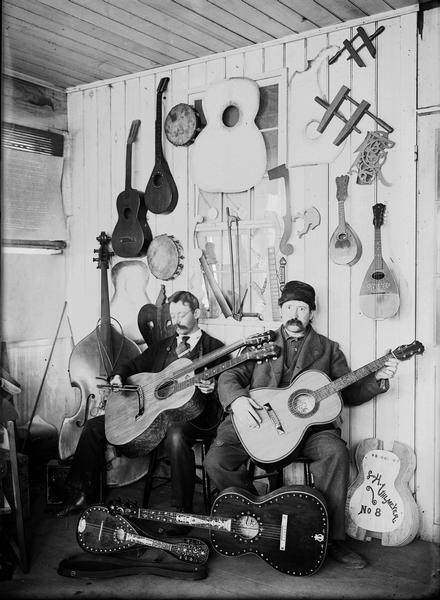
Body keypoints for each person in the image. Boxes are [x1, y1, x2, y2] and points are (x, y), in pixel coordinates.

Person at [204, 280, 399, 569]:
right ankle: (259, 512)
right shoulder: (262, 343)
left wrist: (378, 378)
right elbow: (229, 377)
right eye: (289, 307)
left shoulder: (329, 350)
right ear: (281, 311)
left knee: (336, 452)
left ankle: (330, 539)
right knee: (216, 461)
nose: (295, 313)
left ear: (312, 313)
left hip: (308, 432)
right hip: (259, 424)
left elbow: (347, 392)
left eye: (302, 308)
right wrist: (237, 401)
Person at [58, 291, 225, 532]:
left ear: (197, 313)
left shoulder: (213, 348)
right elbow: (133, 365)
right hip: (153, 412)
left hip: (194, 416)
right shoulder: (164, 345)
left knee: (176, 435)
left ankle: (182, 513)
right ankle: (80, 495)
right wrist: (118, 376)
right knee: (95, 426)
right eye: (173, 314)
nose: (176, 320)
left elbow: (226, 385)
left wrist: (213, 387)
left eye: (182, 314)